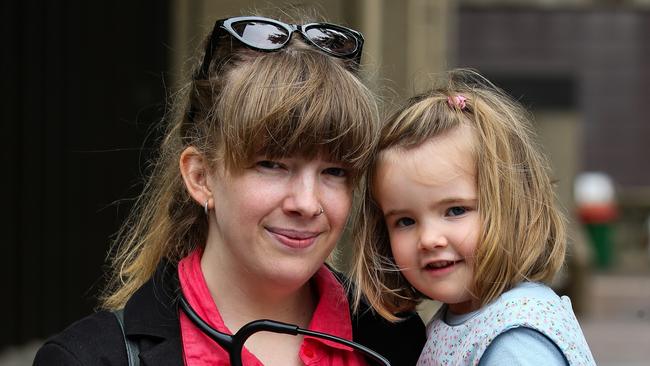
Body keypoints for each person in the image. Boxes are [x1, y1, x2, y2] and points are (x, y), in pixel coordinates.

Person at [34, 13, 425, 366]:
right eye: (272, 165)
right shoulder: (91, 358)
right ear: (201, 177)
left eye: (335, 171)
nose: (307, 203)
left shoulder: (395, 340)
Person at [349, 69, 596, 365]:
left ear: (513, 206)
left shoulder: (516, 341)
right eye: (405, 221)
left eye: (455, 210)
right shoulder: (460, 318)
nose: (428, 239)